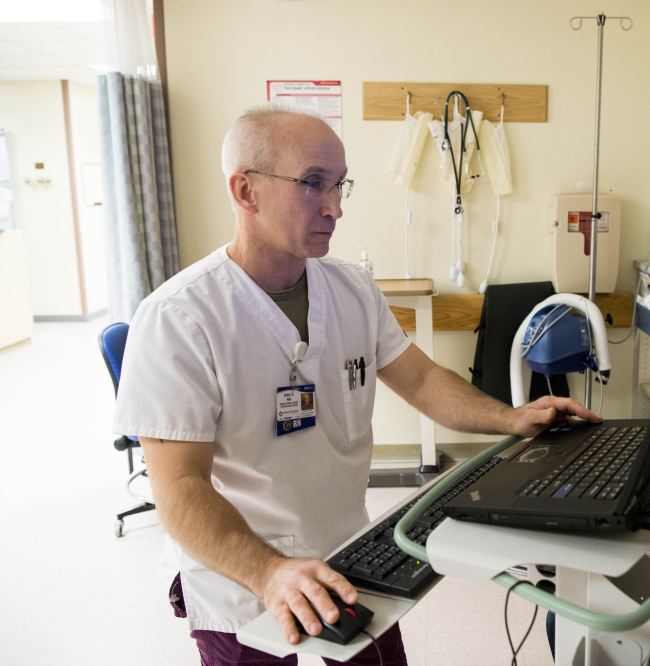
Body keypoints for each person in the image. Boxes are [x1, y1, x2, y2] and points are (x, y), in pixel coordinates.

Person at [112, 106, 601, 666]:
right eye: (312, 183)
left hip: (349, 554)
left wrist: (510, 418)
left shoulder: (352, 289)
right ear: (246, 191)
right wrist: (269, 573)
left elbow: (422, 378)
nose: (335, 207)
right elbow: (179, 489)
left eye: (339, 184)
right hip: (240, 572)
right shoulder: (179, 317)